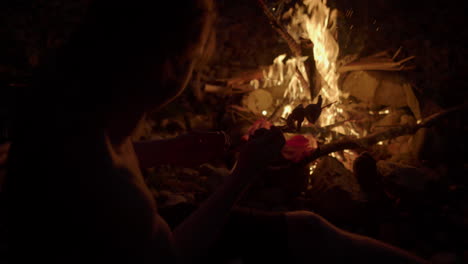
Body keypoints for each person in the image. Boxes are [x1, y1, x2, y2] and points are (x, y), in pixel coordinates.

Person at [4, 0, 427, 263]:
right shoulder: (112, 190)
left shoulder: (68, 103)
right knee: (308, 232)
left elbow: (106, 153)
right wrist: (244, 174)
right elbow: (172, 256)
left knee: (306, 227)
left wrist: (168, 150)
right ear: (168, 67)